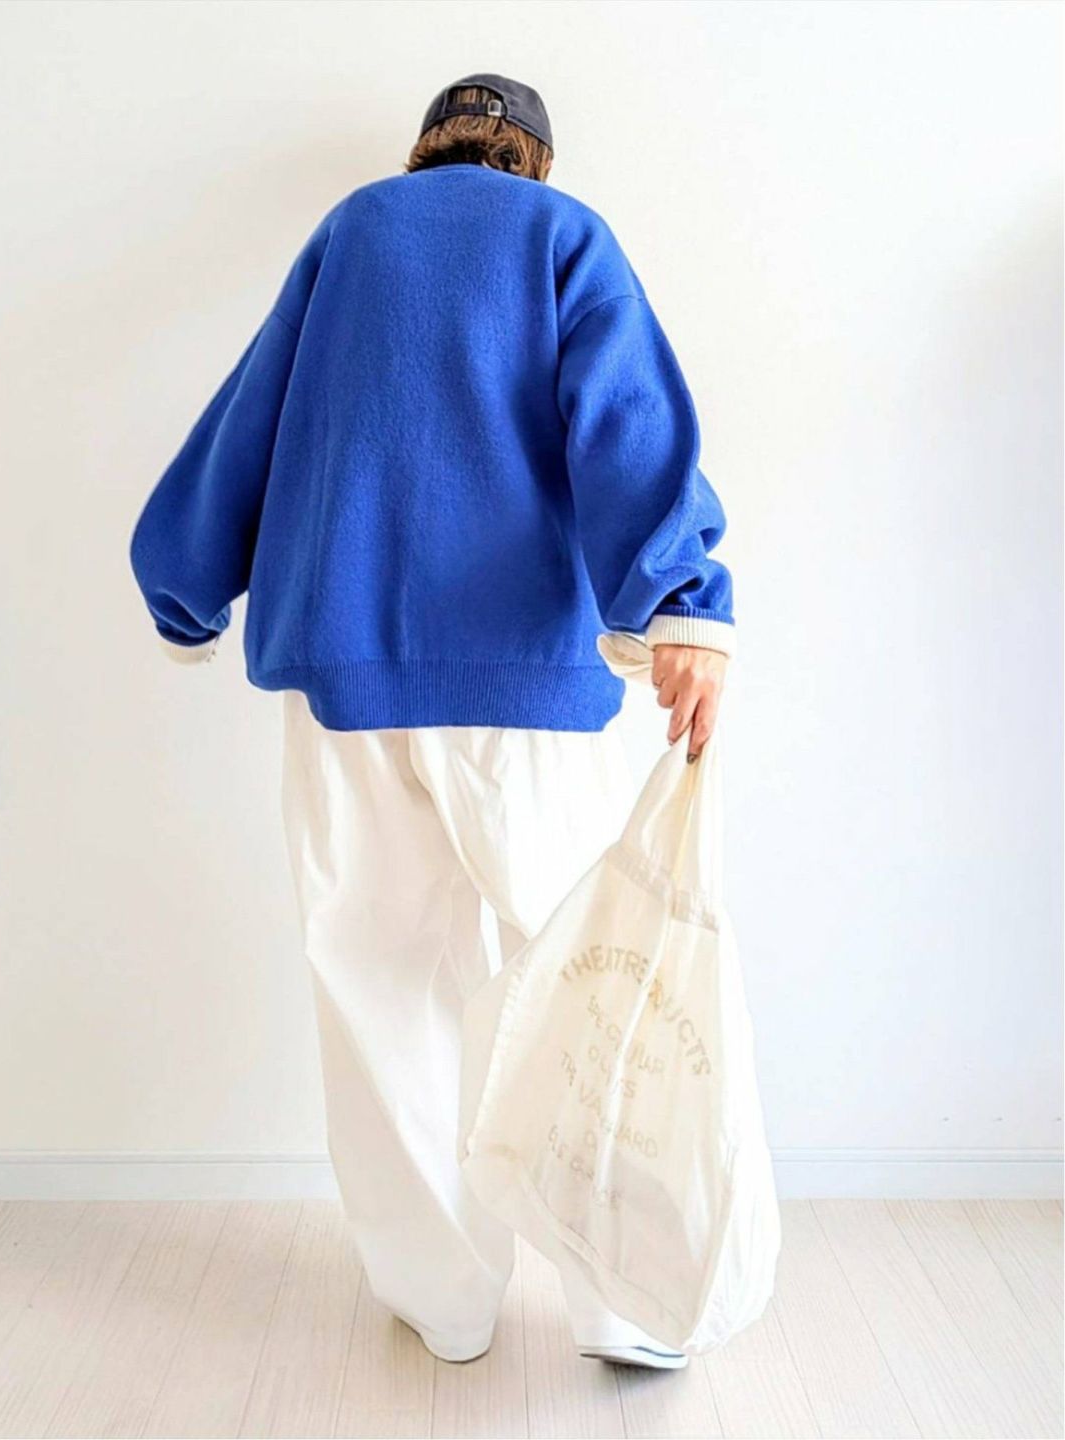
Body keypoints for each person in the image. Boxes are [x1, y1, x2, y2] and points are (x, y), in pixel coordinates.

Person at [130, 74, 734, 1370]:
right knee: (587, 981)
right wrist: (682, 605)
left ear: (424, 153)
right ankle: (627, 1301)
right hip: (527, 687)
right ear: (536, 160)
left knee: (380, 991)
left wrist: (185, 581)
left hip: (346, 675)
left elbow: (251, 417)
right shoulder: (561, 234)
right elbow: (623, 420)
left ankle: (443, 1297)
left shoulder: (352, 233)